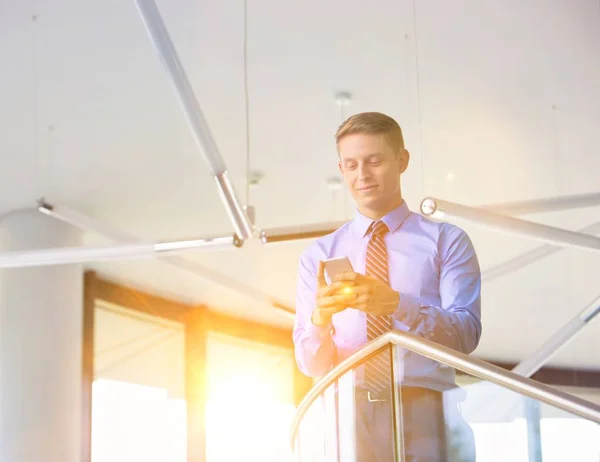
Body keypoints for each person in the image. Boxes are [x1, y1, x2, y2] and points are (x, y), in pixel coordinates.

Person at [293, 112, 481, 461]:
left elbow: (466, 336)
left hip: (426, 408)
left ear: (402, 160)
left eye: (374, 160)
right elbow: (311, 366)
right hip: (347, 415)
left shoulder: (447, 241)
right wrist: (320, 320)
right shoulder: (318, 255)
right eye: (350, 164)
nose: (361, 175)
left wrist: (395, 304)